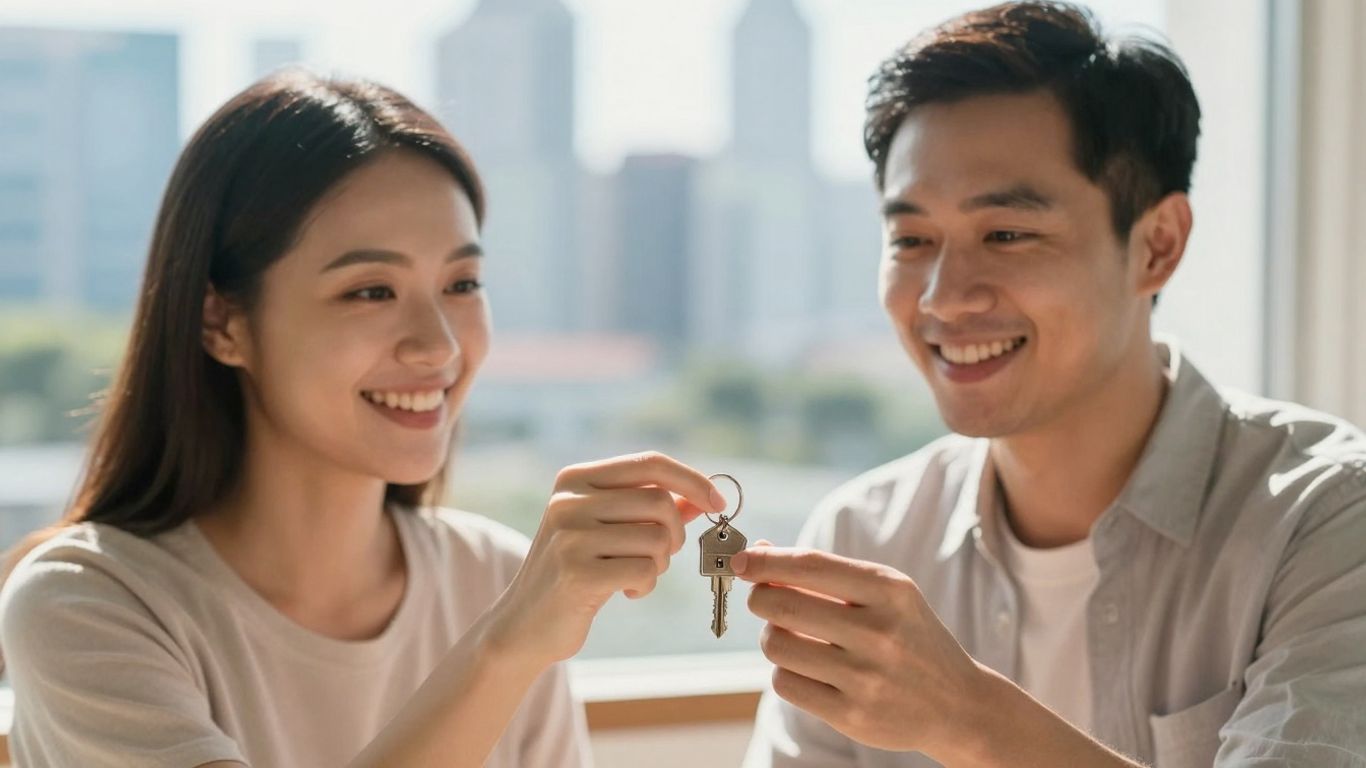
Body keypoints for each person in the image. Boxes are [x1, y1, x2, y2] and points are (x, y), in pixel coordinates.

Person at [0, 70, 727, 768]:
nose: (438, 344)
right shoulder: (83, 603)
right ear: (222, 321)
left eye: (462, 283)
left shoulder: (496, 579)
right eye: (371, 291)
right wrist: (505, 649)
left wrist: (513, 630)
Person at [735, 3, 1366, 766]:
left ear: (1157, 246)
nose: (943, 297)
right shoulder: (864, 536)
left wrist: (971, 720)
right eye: (911, 239)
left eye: (1006, 234)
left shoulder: (1327, 521)